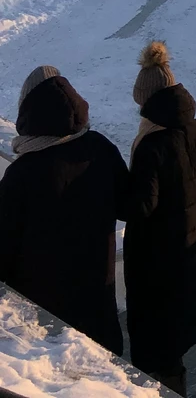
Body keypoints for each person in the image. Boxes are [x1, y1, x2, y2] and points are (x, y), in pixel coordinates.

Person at [0, 66, 128, 354]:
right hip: (98, 303)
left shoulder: (22, 174)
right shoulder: (100, 148)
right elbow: (128, 204)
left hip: (45, 320)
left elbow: (3, 250)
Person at [124, 42, 196, 397]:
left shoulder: (152, 144)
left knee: (153, 355)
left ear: (147, 101)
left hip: (155, 265)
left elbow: (141, 207)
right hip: (189, 253)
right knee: (174, 348)